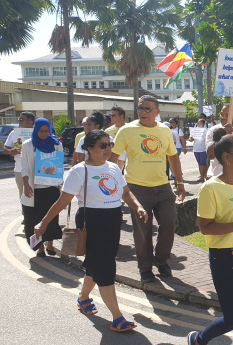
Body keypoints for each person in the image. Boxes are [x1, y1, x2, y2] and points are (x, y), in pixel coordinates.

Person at [34, 130, 148, 332]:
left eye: (109, 145)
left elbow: (126, 192)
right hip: (91, 222)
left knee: (98, 263)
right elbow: (62, 202)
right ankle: (117, 317)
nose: (108, 149)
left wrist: (137, 206)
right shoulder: (79, 171)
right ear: (89, 148)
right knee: (105, 267)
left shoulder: (113, 167)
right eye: (103, 145)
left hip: (112, 221)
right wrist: (43, 223)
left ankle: (83, 297)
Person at [187, 135, 233, 345]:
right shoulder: (210, 188)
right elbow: (205, 227)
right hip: (224, 258)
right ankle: (199, 339)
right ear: (227, 158)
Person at [109, 95, 185, 283]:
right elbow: (113, 158)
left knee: (169, 222)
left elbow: (173, 157)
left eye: (148, 109)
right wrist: (112, 184)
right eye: (140, 108)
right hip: (137, 188)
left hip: (163, 187)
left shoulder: (165, 131)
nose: (143, 112)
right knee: (142, 230)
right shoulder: (126, 131)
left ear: (157, 112)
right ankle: (145, 267)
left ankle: (161, 260)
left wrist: (180, 182)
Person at [21, 118, 64, 257]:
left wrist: (59, 180)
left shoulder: (56, 144)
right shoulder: (28, 145)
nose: (44, 134)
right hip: (34, 190)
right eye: (41, 131)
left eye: (47, 131)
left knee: (51, 218)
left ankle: (50, 243)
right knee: (35, 219)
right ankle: (39, 247)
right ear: (36, 130)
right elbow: (25, 168)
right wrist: (26, 185)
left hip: (51, 188)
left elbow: (59, 165)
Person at [4, 111, 36, 200]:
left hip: (37, 169)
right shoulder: (14, 133)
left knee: (37, 196)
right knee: (24, 196)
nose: (19, 121)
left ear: (30, 122)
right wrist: (11, 151)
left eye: (21, 119)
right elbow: (5, 147)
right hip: (20, 169)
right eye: (19, 119)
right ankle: (25, 213)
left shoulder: (39, 133)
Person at [105, 106, 128, 170]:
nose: (111, 117)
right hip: (115, 159)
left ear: (122, 116)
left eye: (114, 115)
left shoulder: (130, 128)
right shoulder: (108, 131)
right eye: (111, 115)